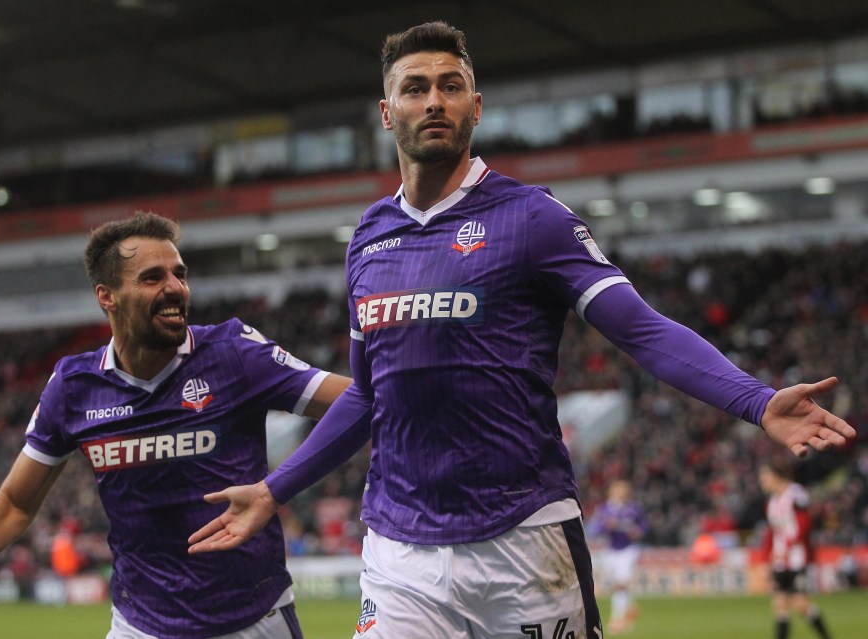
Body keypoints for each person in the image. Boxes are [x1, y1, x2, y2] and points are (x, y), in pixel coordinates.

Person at [186, 21, 857, 639]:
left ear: (476, 107)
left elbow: (643, 330)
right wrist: (275, 490)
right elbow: (367, 396)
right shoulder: (368, 239)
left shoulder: (532, 219)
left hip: (524, 540)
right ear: (388, 113)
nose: (435, 101)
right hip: (399, 549)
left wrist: (756, 400)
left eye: (452, 86)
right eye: (415, 88)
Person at [0, 211, 351, 639]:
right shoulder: (74, 386)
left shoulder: (233, 353)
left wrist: (277, 488)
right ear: (107, 296)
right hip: (140, 626)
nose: (176, 287)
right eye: (153, 277)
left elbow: (356, 401)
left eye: (179, 274)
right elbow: (15, 503)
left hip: (252, 620)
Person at [758, 458, 834, 639]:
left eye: (765, 476)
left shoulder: (796, 494)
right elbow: (771, 533)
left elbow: (805, 524)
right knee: (780, 605)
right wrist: (765, 559)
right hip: (780, 561)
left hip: (797, 559)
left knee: (801, 604)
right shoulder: (772, 503)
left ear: (776, 475)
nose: (762, 481)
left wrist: (788, 546)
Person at [587, 480, 647, 635]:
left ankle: (617, 619)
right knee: (617, 584)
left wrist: (638, 531)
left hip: (628, 550)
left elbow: (644, 525)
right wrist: (606, 526)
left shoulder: (633, 508)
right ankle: (630, 606)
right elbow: (595, 529)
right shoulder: (605, 509)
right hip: (610, 549)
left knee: (621, 583)